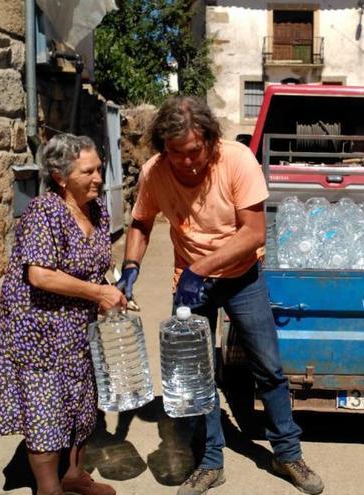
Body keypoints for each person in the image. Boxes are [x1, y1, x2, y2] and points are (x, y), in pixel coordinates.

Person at [117, 96, 324, 495]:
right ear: (164, 149)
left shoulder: (237, 160)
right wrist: (130, 267)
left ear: (210, 141)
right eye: (176, 154)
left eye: (194, 151)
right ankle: (211, 462)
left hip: (241, 277)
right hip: (191, 283)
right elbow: (141, 222)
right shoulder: (154, 172)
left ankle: (287, 453)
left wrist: (200, 269)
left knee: (268, 366)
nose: (187, 162)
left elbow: (254, 233)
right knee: (198, 374)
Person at [0, 134, 127, 495]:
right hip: (38, 331)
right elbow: (40, 274)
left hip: (77, 330)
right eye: (89, 171)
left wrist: (107, 291)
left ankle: (72, 474)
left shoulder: (97, 211)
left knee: (82, 403)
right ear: (60, 176)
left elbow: (95, 266)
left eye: (100, 168)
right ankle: (49, 488)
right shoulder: (44, 212)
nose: (99, 177)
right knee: (45, 411)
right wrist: (97, 292)